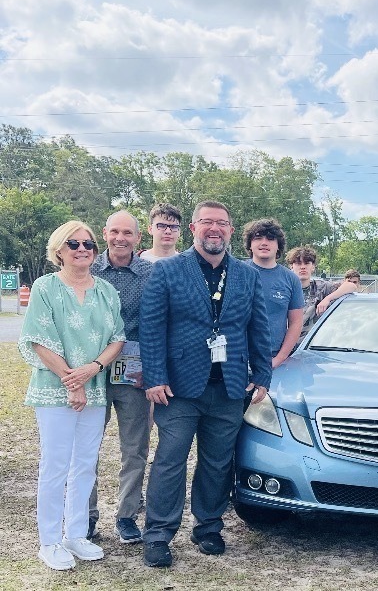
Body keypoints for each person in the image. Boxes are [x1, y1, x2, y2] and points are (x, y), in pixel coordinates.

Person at [139, 200, 272, 567]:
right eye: (207, 223)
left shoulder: (247, 275)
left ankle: (208, 526)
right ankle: (158, 534)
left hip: (229, 387)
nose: (215, 229)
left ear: (231, 230)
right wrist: (154, 377)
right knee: (170, 461)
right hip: (178, 389)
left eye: (222, 224)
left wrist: (262, 373)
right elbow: (152, 328)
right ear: (194, 227)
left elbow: (258, 328)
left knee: (217, 462)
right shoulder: (167, 270)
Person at [18, 221, 125, 570]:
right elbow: (37, 338)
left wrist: (93, 368)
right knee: (55, 465)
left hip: (94, 388)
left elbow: (118, 338)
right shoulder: (45, 287)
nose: (82, 249)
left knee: (84, 465)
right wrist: (72, 381)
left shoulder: (107, 290)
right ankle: (49, 541)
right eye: (73, 243)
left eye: (89, 244)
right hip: (55, 390)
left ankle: (76, 533)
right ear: (59, 250)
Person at [88, 211, 155, 545]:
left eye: (127, 232)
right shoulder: (86, 267)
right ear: (105, 233)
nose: (120, 238)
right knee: (87, 447)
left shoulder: (151, 274)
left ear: (138, 238)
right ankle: (86, 516)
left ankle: (127, 516)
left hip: (134, 374)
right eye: (114, 231)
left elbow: (159, 325)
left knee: (135, 449)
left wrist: (154, 370)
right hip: (92, 372)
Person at [242, 218, 304, 367]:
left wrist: (279, 359)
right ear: (250, 244)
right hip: (236, 358)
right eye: (258, 238)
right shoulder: (235, 272)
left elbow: (296, 322)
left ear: (278, 246)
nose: (264, 243)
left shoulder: (291, 279)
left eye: (270, 239)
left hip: (271, 359)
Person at [286, 245, 359, 340]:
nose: (303, 267)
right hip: (286, 344)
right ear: (292, 266)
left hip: (311, 346)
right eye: (299, 263)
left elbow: (351, 286)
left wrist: (327, 298)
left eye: (307, 263)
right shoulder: (283, 289)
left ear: (313, 267)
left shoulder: (322, 287)